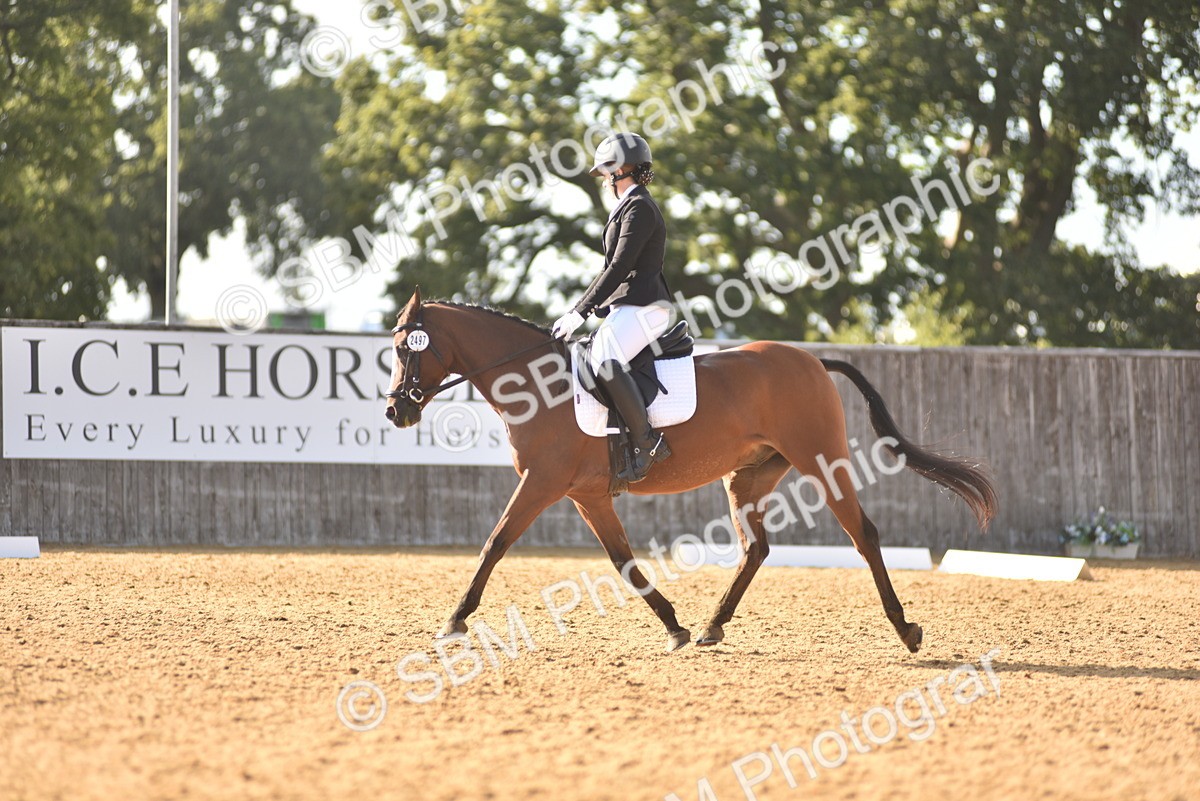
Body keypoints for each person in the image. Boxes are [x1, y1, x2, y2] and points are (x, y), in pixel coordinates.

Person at [551, 132, 674, 483]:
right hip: (628, 307)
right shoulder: (628, 207)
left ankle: (647, 442)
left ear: (622, 170)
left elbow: (618, 268)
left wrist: (578, 312)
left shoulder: (640, 208)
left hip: (646, 307)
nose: (605, 180)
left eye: (607, 172)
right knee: (588, 356)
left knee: (605, 359)